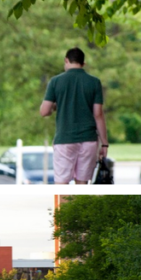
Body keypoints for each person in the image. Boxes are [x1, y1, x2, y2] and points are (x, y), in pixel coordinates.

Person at [40, 47, 108, 184]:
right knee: (82, 183)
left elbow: (44, 111)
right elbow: (98, 115)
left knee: (61, 183)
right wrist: (105, 144)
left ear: (66, 60)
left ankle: (63, 206)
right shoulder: (94, 82)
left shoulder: (55, 81)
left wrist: (55, 106)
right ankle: (78, 206)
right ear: (83, 64)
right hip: (88, 140)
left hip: (65, 138)